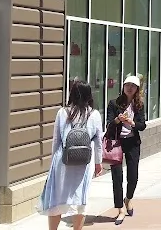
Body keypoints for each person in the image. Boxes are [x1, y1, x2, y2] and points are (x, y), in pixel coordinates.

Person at [37, 80, 104, 230]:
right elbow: (98, 141)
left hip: (63, 160)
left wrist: (53, 162)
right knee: (80, 199)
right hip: (84, 163)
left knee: (57, 199)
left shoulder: (62, 113)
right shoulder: (94, 114)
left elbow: (56, 140)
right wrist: (98, 162)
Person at [106, 74, 147, 225]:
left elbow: (142, 125)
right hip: (117, 143)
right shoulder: (114, 103)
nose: (129, 88)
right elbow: (109, 125)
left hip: (132, 142)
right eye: (127, 85)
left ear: (136, 90)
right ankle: (120, 209)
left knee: (133, 177)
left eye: (133, 86)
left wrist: (132, 122)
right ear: (123, 87)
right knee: (117, 177)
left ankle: (128, 199)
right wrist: (118, 120)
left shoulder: (139, 105)